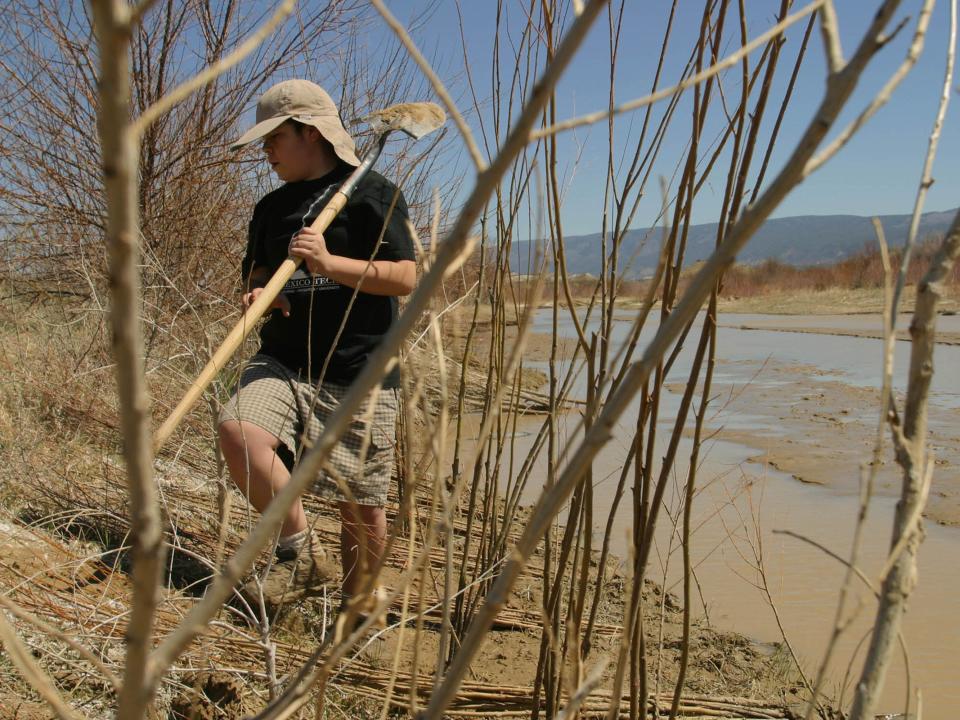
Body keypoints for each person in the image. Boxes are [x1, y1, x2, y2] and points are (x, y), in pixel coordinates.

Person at [218, 79, 416, 613]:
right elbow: (258, 272)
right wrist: (261, 293)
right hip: (283, 360)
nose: (265, 151)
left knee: (362, 507)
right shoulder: (270, 208)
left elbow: (404, 278)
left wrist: (330, 265)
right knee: (239, 432)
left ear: (309, 133)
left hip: (360, 371)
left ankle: (357, 611)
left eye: (273, 138)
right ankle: (298, 553)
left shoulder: (373, 194)